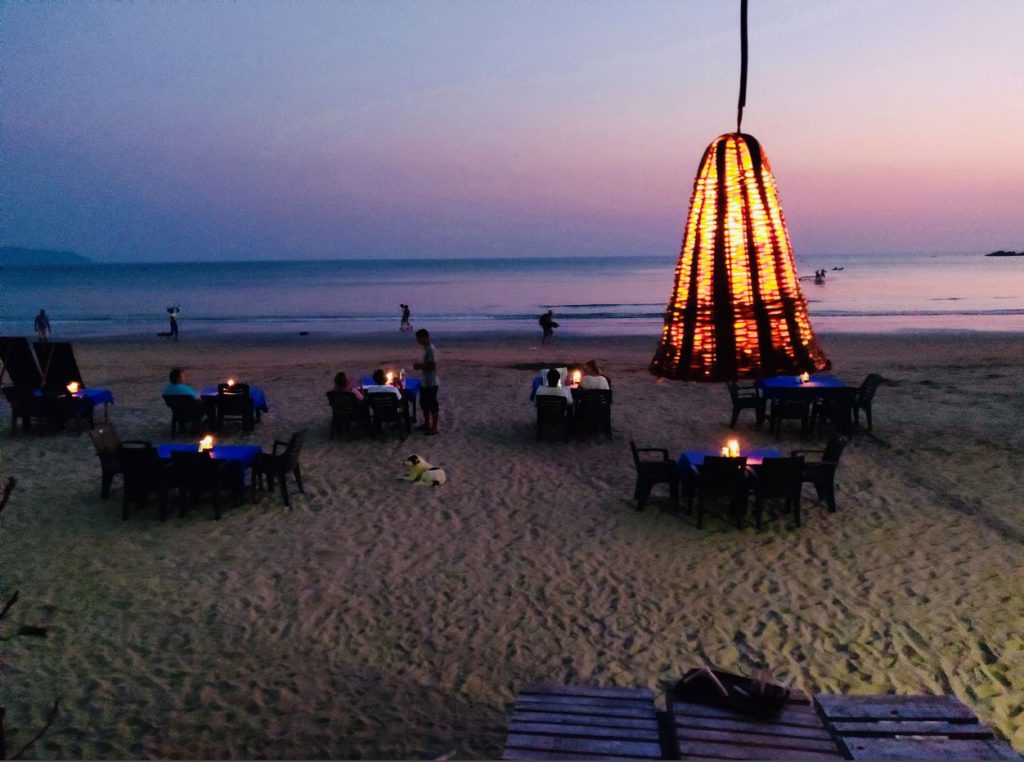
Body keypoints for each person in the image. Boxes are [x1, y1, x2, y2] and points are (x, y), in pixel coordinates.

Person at [413, 328, 439, 435]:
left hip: (431, 382)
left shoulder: (431, 349)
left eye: (418, 339)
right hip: (425, 381)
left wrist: (420, 366)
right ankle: (426, 424)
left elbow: (432, 366)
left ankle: (434, 428)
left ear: (424, 337)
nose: (418, 341)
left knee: (433, 405)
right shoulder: (425, 348)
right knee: (424, 404)